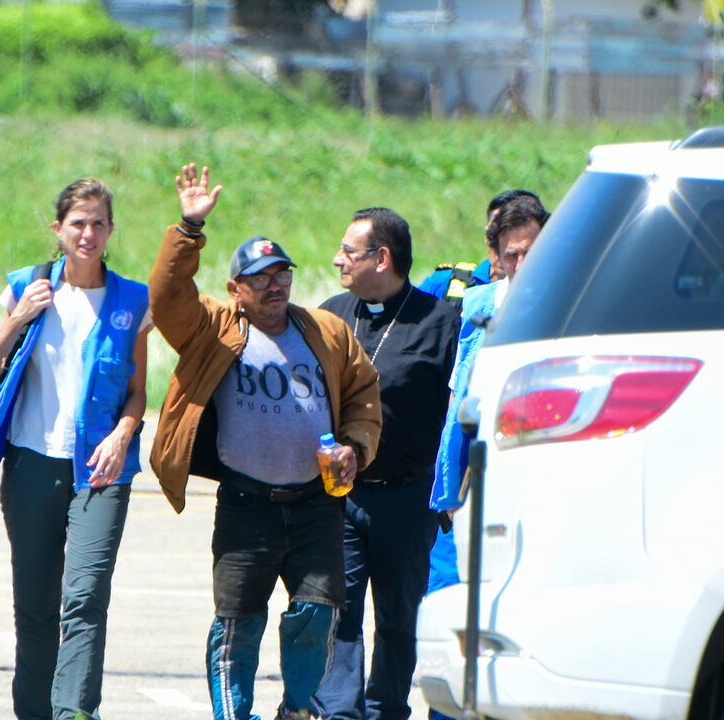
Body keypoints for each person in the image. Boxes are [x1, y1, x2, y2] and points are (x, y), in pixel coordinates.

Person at [147, 164, 382, 720]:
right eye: (261, 278)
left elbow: (363, 394)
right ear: (236, 289)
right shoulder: (213, 327)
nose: (275, 285)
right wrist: (188, 228)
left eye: (282, 274)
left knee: (318, 613)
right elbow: (166, 299)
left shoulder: (325, 330)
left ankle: (298, 710)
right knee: (237, 623)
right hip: (246, 506)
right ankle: (234, 714)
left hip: (316, 505)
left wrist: (354, 446)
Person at [0, 177, 152, 720]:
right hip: (31, 463)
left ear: (111, 230)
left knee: (85, 596)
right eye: (78, 223)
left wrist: (124, 434)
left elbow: (139, 391)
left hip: (100, 469)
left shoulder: (132, 299)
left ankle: (74, 711)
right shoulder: (29, 285)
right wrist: (21, 313)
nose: (89, 234)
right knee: (35, 605)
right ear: (58, 229)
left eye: (99, 223)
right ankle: (33, 712)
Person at [313, 208, 458, 720]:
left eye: (349, 252)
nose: (338, 260)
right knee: (338, 612)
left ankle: (386, 708)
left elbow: (456, 415)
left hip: (407, 497)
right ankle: (339, 712)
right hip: (341, 494)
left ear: (383, 257)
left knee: (398, 618)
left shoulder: (441, 324)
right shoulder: (331, 315)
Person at [430, 194, 549, 514]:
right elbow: (459, 395)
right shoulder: (477, 304)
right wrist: (453, 482)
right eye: (512, 255)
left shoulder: (571, 303)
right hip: (485, 453)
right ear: (496, 255)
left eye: (531, 252)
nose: (522, 264)